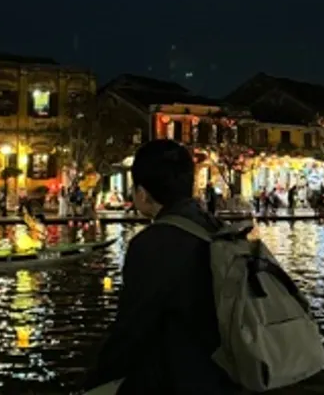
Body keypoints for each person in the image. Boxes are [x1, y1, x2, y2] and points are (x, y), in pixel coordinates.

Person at [84, 140, 235, 395]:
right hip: (226, 375)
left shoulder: (152, 244)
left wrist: (96, 380)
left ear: (142, 193)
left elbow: (131, 328)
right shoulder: (217, 228)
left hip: (180, 378)